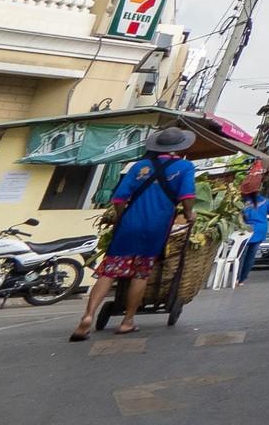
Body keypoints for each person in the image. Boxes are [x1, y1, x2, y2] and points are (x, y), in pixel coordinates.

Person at [69, 127, 196, 340]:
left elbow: (119, 198)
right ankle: (127, 321)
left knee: (108, 272)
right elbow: (187, 195)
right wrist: (190, 213)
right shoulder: (184, 167)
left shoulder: (140, 166)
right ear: (179, 148)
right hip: (156, 227)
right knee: (140, 273)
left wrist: (122, 218)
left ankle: (88, 316)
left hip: (128, 225)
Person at [238, 189, 269, 284]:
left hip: (246, 230)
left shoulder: (242, 201)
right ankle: (242, 279)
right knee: (250, 256)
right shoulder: (265, 201)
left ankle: (237, 278)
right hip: (260, 230)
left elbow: (239, 216)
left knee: (241, 255)